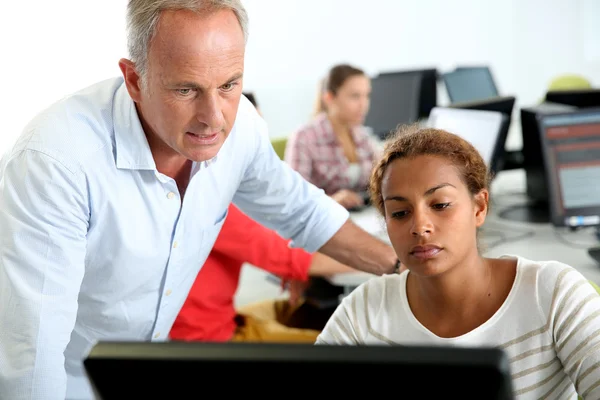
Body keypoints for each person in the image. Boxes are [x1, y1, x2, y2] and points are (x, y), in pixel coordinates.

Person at [0, 2, 397, 399]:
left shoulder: (239, 124)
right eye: (186, 89)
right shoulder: (56, 161)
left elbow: (302, 210)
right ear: (134, 80)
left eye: (229, 85)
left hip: (147, 363)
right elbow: (33, 356)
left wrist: (402, 265)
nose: (214, 118)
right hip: (67, 384)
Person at [316, 125, 600, 399]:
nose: (420, 227)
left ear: (479, 208)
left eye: (440, 205)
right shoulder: (362, 313)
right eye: (400, 212)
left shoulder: (554, 295)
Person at [169, 203, 356, 343]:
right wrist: (378, 257)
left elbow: (269, 239)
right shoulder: (206, 204)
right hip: (209, 338)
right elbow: (292, 257)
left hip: (215, 318)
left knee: (301, 308)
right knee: (346, 343)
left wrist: (294, 266)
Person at [285, 64, 379, 210]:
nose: (363, 104)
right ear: (329, 98)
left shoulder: (363, 136)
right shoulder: (304, 137)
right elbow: (294, 197)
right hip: (322, 221)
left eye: (366, 95)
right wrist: (331, 200)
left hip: (362, 215)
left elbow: (381, 180)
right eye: (355, 96)